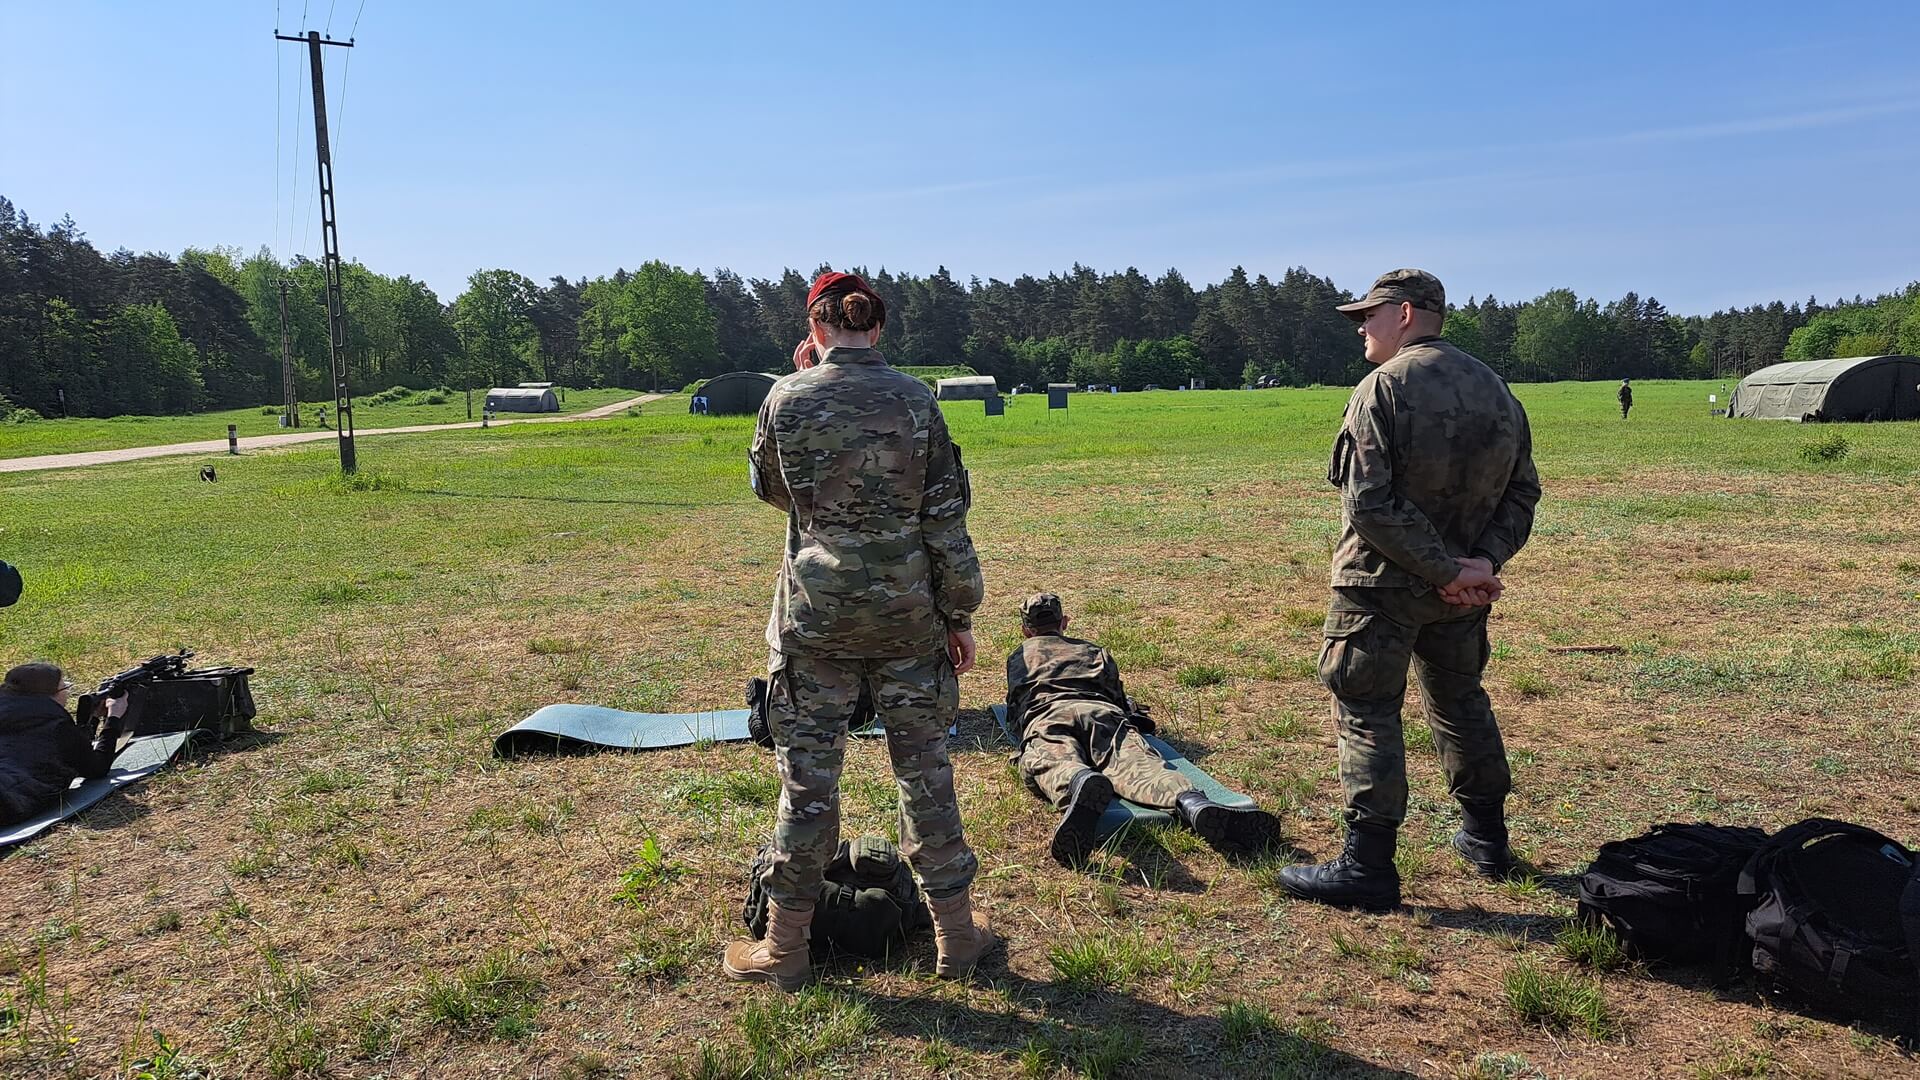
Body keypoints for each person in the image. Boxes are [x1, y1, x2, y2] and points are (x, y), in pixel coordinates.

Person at [725, 271, 991, 990]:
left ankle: (785, 948)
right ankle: (958, 940)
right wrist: (958, 613)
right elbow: (945, 514)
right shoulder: (917, 399)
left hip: (817, 620)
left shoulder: (785, 396)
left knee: (809, 786)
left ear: (816, 330)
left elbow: (770, 490)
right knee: (926, 777)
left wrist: (802, 386)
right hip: (909, 619)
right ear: (877, 327)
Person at [1276, 269, 1541, 912]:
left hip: (1381, 585)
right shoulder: (1496, 390)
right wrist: (1476, 565)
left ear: (1404, 313)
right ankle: (1486, 838)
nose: (1361, 328)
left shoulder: (1382, 388)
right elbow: (1522, 492)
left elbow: (1368, 503)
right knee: (1459, 700)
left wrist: (1450, 570)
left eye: (1368, 315)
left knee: (1365, 707)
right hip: (1459, 594)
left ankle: (1367, 867)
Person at [1006, 593, 1279, 867]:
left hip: (1049, 715)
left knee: (1051, 759)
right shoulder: (1094, 651)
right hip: (1102, 712)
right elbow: (1120, 699)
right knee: (1138, 764)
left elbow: (1016, 708)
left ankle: (1078, 781)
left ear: (1025, 630)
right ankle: (1191, 802)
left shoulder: (1020, 657)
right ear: (1065, 622)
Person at [0, 663, 130, 825]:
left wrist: (94, 717)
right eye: (64, 687)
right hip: (9, 800)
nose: (67, 691)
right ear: (52, 695)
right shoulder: (56, 725)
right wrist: (113, 718)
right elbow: (97, 767)